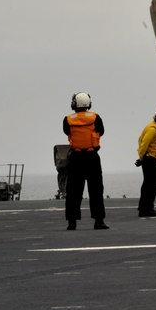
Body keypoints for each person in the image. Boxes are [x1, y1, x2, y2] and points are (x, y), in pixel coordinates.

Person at [62, 92, 108, 230]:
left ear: (75, 104)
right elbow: (102, 131)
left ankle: (72, 222)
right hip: (92, 156)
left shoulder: (68, 119)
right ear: (88, 104)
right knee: (96, 190)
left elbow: (66, 132)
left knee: (73, 191)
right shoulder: (95, 118)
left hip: (76, 158)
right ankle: (99, 221)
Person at [136, 109, 156, 218]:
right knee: (151, 184)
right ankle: (147, 209)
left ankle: (144, 207)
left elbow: (155, 141)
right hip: (149, 159)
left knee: (148, 184)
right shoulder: (152, 129)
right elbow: (144, 144)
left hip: (150, 159)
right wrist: (141, 158)